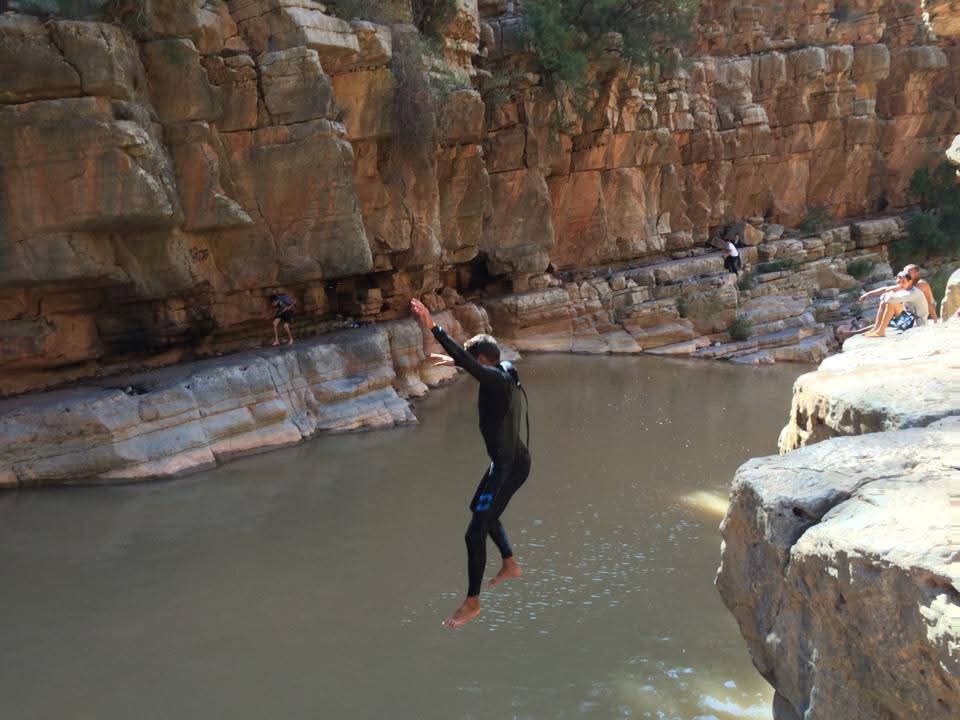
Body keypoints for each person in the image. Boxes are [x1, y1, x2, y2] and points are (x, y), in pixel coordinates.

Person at [409, 298, 531, 629]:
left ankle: (472, 602)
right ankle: (509, 563)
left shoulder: (494, 380)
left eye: (472, 364)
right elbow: (477, 366)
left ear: (482, 363)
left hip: (508, 467)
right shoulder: (506, 370)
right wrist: (454, 360)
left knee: (474, 532)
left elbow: (475, 367)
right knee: (480, 508)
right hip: (513, 461)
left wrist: (433, 327)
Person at [858, 271, 927, 337]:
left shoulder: (913, 293)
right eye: (899, 282)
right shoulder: (904, 286)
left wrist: (888, 294)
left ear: (910, 281)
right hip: (907, 319)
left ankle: (881, 331)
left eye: (903, 282)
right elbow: (885, 289)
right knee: (884, 302)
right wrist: (868, 294)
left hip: (916, 324)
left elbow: (890, 299)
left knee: (891, 303)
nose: (901, 284)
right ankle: (876, 328)